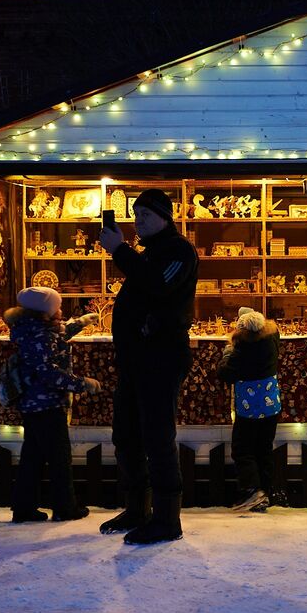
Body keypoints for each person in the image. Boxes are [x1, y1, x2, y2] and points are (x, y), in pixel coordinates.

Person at [99, 189, 199, 544]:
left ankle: (167, 519)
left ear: (165, 217)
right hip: (135, 361)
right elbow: (144, 282)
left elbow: (157, 285)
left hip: (161, 359)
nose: (138, 220)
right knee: (125, 436)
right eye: (135, 214)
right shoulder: (151, 252)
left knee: (157, 439)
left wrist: (119, 250)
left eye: (145, 215)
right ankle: (137, 508)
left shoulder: (179, 251)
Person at [5, 286, 100, 523]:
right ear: (45, 310)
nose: (60, 310)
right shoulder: (39, 335)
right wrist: (82, 384)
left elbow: (60, 334)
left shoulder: (36, 329)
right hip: (45, 404)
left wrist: (81, 322)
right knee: (59, 457)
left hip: (35, 404)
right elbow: (48, 372)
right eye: (56, 306)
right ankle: (65, 507)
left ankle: (24, 508)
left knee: (33, 456)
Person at [218, 306, 281, 513]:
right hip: (271, 404)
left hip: (249, 407)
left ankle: (252, 491)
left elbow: (226, 374)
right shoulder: (272, 340)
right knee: (264, 448)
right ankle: (266, 491)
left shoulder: (242, 349)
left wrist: (227, 353)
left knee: (242, 449)